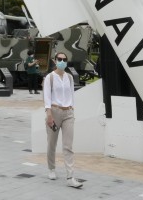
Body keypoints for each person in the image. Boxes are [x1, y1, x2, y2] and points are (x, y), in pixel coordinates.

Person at [43, 52, 84, 188]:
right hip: (54, 112)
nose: (62, 61)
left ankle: (70, 177)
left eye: (64, 59)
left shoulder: (70, 77)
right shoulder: (50, 77)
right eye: (59, 59)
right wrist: (49, 114)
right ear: (55, 61)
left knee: (68, 146)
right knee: (51, 143)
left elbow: (72, 95)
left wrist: (72, 109)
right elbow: (47, 97)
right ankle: (51, 168)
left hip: (68, 113)